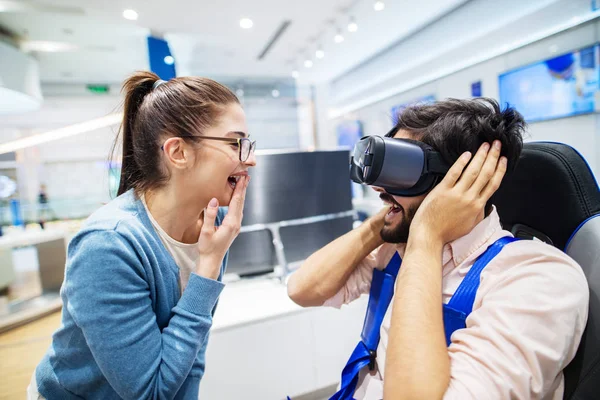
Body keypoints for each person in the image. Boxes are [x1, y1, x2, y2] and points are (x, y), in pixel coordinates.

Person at [287, 98, 588, 399]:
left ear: (461, 179)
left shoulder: (535, 278)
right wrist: (386, 219)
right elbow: (304, 289)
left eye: (397, 172)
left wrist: (427, 235)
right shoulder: (395, 250)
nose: (378, 189)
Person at [30, 71, 256, 399]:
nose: (250, 158)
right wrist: (207, 266)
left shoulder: (213, 222)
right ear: (178, 152)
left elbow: (192, 351)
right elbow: (150, 393)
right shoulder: (107, 245)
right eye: (236, 142)